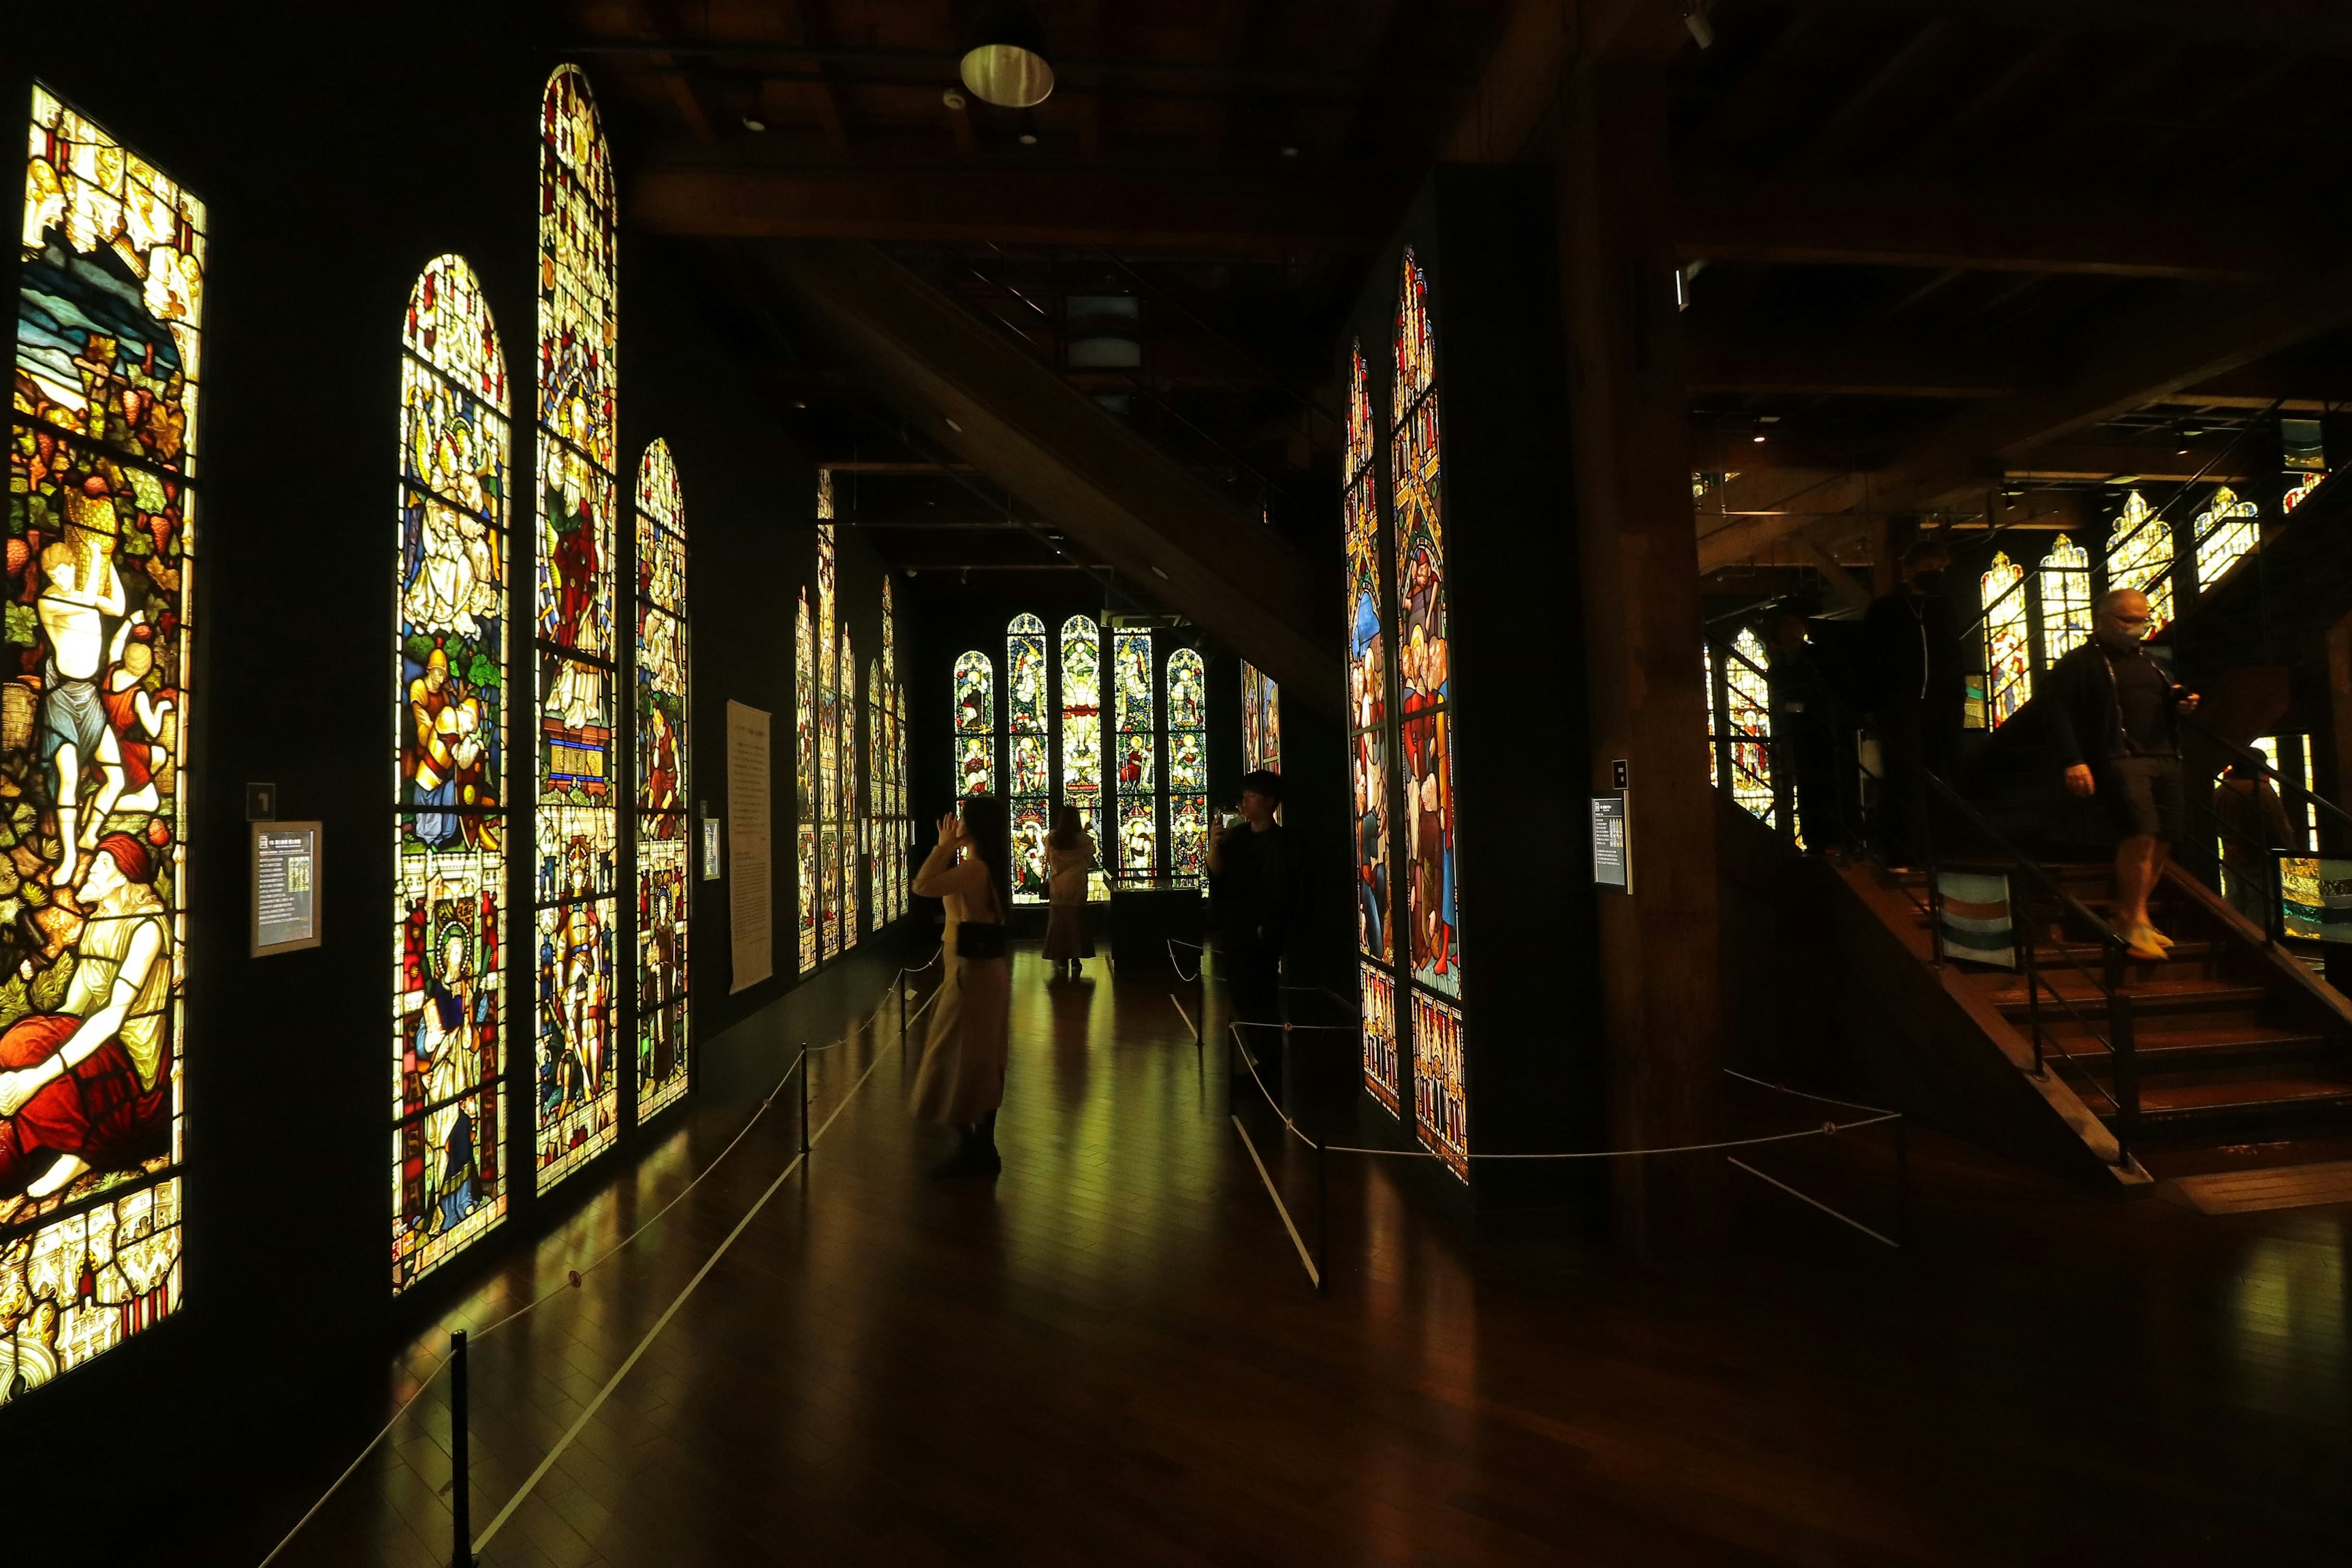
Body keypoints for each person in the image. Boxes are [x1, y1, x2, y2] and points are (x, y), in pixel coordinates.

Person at [0, 834, 173, 1201]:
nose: (90, 871)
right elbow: (72, 1011)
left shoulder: (146, 928)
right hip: (95, 1041)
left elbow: (112, 1018)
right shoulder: (98, 924)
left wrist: (37, 1077)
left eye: (102, 866)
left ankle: (85, 1150)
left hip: (133, 1061)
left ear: (125, 877)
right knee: (20, 1041)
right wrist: (34, 1051)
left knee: (36, 1066)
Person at [2043, 588, 2201, 960]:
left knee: (2165, 837)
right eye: (2128, 620)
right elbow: (2057, 713)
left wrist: (2183, 703)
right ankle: (2133, 918)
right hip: (2119, 756)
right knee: (2140, 834)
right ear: (2104, 618)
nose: (2137, 627)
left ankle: (2136, 913)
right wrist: (2073, 760)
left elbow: (2164, 697)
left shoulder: (2153, 662)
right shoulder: (2080, 663)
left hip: (2164, 754)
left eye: (2143, 619)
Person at [911, 796, 1012, 1178]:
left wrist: (942, 848)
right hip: (978, 972)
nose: (955, 823)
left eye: (962, 819)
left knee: (957, 1057)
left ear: (973, 827)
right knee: (977, 1058)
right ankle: (980, 1148)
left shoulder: (974, 869)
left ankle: (977, 1148)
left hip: (972, 975)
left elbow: (922, 885)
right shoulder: (985, 867)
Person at [1861, 537, 1962, 866]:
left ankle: (1935, 851)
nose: (1936, 574)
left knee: (1940, 777)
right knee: (1904, 779)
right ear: (1909, 569)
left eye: (1941, 569)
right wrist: (1875, 703)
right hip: (1900, 706)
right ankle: (1900, 851)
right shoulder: (1886, 610)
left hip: (1941, 706)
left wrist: (1956, 699)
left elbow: (1953, 657)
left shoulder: (1943, 607)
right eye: (1930, 568)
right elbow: (1871, 659)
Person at [1208, 769, 1291, 1083]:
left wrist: (1268, 926)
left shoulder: (1282, 843)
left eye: (1251, 796)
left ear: (1269, 803)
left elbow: (1283, 889)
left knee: (1262, 1001)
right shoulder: (1238, 836)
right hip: (1236, 929)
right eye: (1243, 796)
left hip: (1262, 935)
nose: (1244, 801)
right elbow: (1217, 872)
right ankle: (1261, 1066)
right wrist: (1215, 844)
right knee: (1242, 1000)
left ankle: (1271, 1070)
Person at [1770, 609, 1841, 852]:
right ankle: (1813, 836)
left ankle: (1830, 836)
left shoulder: (1816, 658)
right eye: (1785, 627)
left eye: (1794, 626)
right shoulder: (1779, 663)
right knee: (1804, 783)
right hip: (1795, 731)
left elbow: (1822, 690)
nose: (1790, 632)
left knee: (1823, 782)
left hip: (1819, 729)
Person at [2212, 757, 2291, 927]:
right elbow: (2277, 828)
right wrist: (2291, 852)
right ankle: (2255, 945)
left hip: (2232, 856)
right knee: (2262, 909)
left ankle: (2236, 941)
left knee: (2236, 903)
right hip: (2259, 859)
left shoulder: (2222, 790)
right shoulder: (2260, 791)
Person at [1041, 804, 1096, 979]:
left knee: (1059, 924)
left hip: (1058, 888)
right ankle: (1076, 958)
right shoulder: (1085, 840)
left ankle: (1061, 959)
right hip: (1077, 887)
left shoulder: (1051, 839)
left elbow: (1049, 860)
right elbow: (1089, 862)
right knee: (1076, 924)